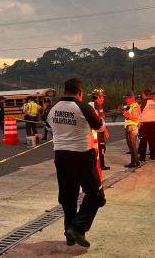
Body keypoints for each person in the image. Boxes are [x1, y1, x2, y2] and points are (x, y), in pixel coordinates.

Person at [44, 78, 106, 248]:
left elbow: (49, 128)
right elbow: (99, 127)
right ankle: (77, 229)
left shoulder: (51, 108)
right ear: (80, 92)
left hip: (60, 156)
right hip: (81, 156)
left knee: (68, 197)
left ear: (65, 91)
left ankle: (70, 237)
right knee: (96, 195)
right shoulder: (84, 107)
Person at [89, 89, 110, 170]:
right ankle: (101, 165)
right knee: (101, 148)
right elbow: (101, 118)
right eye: (102, 97)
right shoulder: (97, 105)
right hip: (97, 131)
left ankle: (96, 164)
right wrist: (104, 130)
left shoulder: (89, 104)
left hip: (93, 131)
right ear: (98, 97)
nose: (103, 99)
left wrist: (106, 130)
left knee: (95, 148)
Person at [138, 89, 155, 161]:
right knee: (152, 140)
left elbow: (138, 111)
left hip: (145, 124)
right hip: (153, 123)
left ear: (144, 95)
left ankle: (142, 157)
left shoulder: (144, 102)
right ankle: (153, 155)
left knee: (143, 141)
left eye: (142, 94)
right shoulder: (154, 103)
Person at [123, 94, 141, 167]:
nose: (126, 100)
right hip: (130, 127)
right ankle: (134, 162)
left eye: (127, 99)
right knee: (131, 146)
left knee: (132, 146)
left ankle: (135, 162)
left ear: (131, 99)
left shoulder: (135, 107)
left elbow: (136, 118)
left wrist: (128, 116)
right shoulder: (132, 106)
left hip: (132, 128)